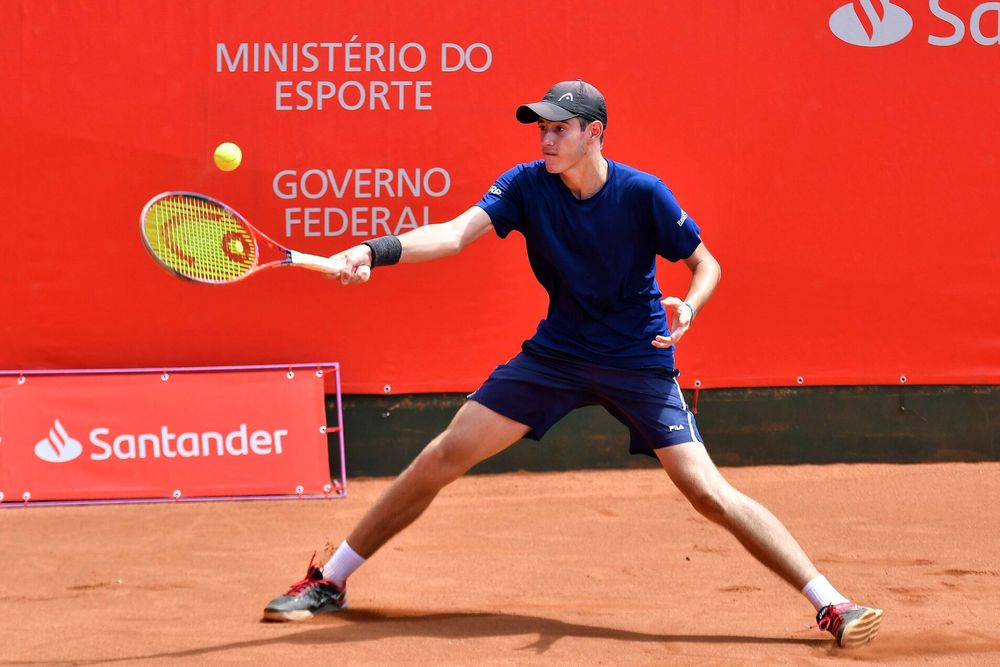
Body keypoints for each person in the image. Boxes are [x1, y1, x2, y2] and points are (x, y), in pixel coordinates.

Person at [262, 80, 883, 649]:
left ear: (595, 133)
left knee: (708, 493)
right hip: (557, 355)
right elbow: (454, 234)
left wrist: (690, 308)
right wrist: (375, 251)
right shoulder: (527, 184)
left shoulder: (643, 194)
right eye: (542, 129)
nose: (547, 139)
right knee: (441, 455)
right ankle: (332, 580)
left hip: (637, 360)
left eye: (561, 128)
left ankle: (832, 604)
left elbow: (707, 264)